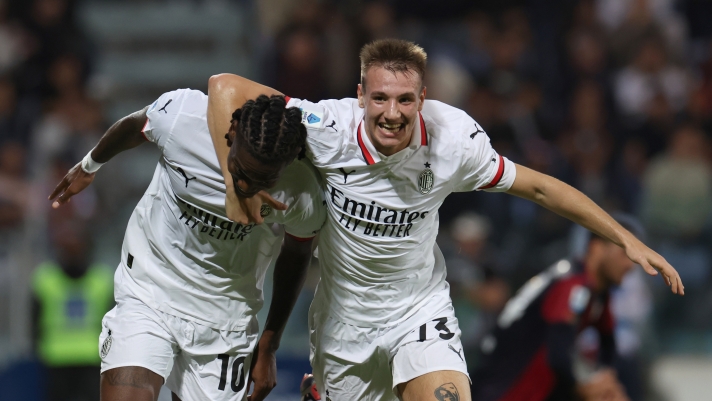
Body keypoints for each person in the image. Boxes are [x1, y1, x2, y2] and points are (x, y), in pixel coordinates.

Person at [205, 39, 683, 401]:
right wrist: (235, 186)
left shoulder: (454, 142)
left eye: (406, 100)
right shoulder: (326, 126)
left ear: (423, 97)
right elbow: (224, 87)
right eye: (380, 98)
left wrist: (622, 237)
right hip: (342, 325)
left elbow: (540, 187)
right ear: (360, 96)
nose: (392, 113)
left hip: (419, 310)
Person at [48, 89, 326, 401]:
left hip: (226, 320)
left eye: (264, 179)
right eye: (243, 170)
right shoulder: (185, 118)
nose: (248, 185)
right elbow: (137, 124)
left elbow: (298, 251)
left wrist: (269, 345)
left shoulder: (303, 189)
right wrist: (90, 164)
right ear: (232, 134)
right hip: (150, 292)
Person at [469, 217, 645, 401]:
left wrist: (606, 379)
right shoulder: (572, 285)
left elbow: (607, 343)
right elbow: (558, 350)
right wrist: (586, 388)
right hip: (505, 389)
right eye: (624, 254)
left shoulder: (598, 294)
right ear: (597, 247)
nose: (630, 265)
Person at [32, 221, 113, 401]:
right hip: (56, 358)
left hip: (91, 358)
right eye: (67, 248)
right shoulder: (45, 279)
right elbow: (34, 321)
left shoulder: (102, 279)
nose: (72, 253)